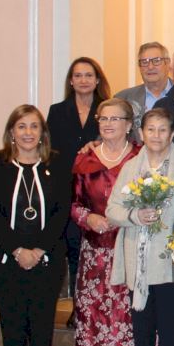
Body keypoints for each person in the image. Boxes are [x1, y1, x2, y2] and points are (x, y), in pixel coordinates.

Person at [0, 105, 69, 346]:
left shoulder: (57, 165)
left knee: (42, 323)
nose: (28, 133)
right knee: (13, 323)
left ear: (43, 133)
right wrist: (17, 250)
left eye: (34, 126)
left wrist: (38, 250)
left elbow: (61, 212)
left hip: (47, 259)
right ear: (11, 133)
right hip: (6, 259)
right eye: (21, 126)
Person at [106, 107, 174, 346]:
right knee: (141, 328)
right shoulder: (131, 167)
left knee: (170, 328)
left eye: (163, 129)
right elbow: (112, 209)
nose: (156, 135)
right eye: (151, 129)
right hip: (137, 261)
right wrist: (135, 215)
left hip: (169, 260)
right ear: (141, 133)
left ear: (173, 133)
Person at [70, 97, 142, 346]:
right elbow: (72, 203)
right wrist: (88, 218)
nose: (108, 124)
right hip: (95, 251)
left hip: (130, 247)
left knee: (129, 315)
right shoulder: (85, 159)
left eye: (115, 119)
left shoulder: (140, 157)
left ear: (129, 124)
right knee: (92, 314)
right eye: (103, 118)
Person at [47, 57, 111, 318]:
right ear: (71, 81)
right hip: (66, 190)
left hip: (97, 191)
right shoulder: (57, 111)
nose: (83, 80)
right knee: (74, 249)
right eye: (78, 75)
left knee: (97, 251)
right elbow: (50, 151)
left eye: (89, 75)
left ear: (97, 80)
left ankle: (100, 310)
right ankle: (78, 309)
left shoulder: (107, 109)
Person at [116, 42, 173, 133]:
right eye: (144, 62)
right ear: (139, 67)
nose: (150, 67)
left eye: (156, 61)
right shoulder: (123, 98)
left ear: (168, 63)